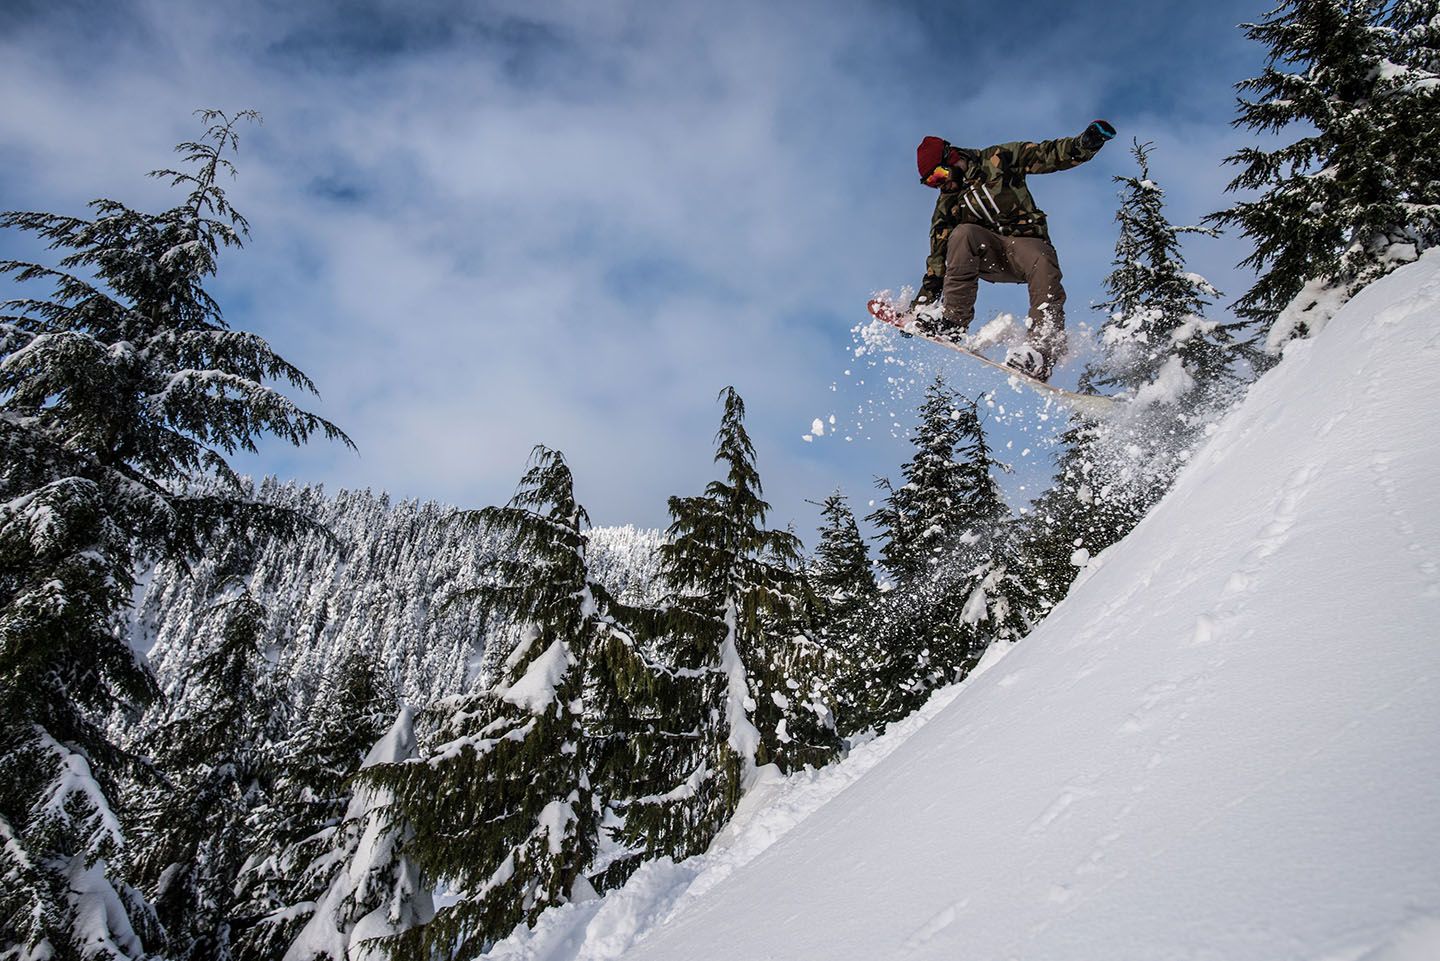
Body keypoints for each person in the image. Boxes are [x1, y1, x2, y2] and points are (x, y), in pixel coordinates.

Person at [911, 120, 1116, 381]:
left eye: (939, 176)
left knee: (1041, 258)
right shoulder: (948, 202)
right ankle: (952, 321)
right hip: (991, 256)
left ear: (952, 158)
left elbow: (1048, 154)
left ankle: (1042, 349)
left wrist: (1084, 144)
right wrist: (920, 307)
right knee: (963, 234)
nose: (940, 185)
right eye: (930, 183)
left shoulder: (999, 158)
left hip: (1026, 246)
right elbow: (938, 258)